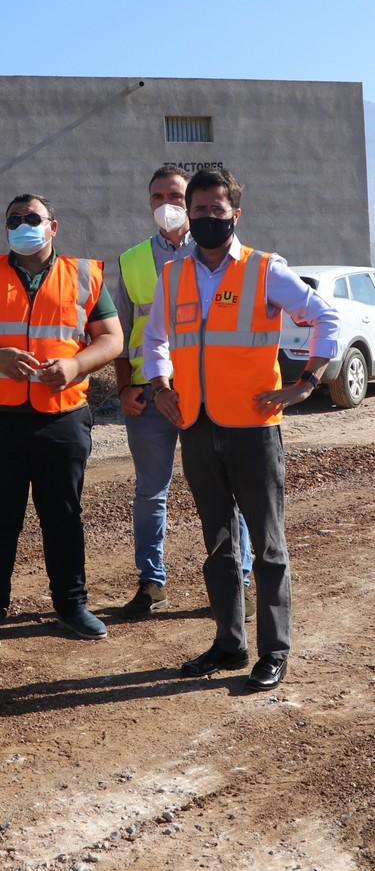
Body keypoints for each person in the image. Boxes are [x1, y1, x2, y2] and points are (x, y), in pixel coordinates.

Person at [143, 168, 340, 691]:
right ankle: (230, 643)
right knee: (218, 543)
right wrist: (160, 386)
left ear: (235, 214)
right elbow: (155, 338)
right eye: (199, 210)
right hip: (197, 425)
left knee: (268, 546)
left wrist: (307, 381)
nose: (207, 218)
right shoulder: (173, 276)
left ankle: (274, 651)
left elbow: (326, 317)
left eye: (216, 210)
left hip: (254, 427)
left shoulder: (264, 270)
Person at [0, 192, 123, 652]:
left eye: (33, 218)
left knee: (63, 517)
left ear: (53, 226)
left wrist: (78, 366)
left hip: (61, 419)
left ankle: (71, 605)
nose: (24, 224)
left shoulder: (83, 275)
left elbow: (111, 338)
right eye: (15, 219)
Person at [115, 166, 254, 618]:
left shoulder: (217, 253)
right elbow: (121, 334)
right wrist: (126, 388)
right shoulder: (131, 260)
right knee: (151, 492)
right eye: (157, 197)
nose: (166, 204)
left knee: (226, 493)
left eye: (174, 195)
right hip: (150, 396)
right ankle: (151, 583)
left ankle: (240, 582)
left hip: (205, 395)